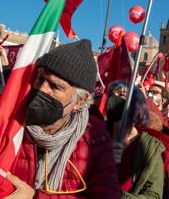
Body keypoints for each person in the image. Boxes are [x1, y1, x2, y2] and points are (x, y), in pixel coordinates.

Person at [9, 39, 120, 198]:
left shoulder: (96, 140)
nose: (42, 89)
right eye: (40, 78)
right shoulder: (8, 118)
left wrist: (35, 197)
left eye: (55, 86)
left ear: (80, 101)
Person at [108, 88, 166, 198]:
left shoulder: (150, 148)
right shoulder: (97, 136)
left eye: (121, 94)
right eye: (112, 94)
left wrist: (119, 196)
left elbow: (153, 195)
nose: (114, 98)